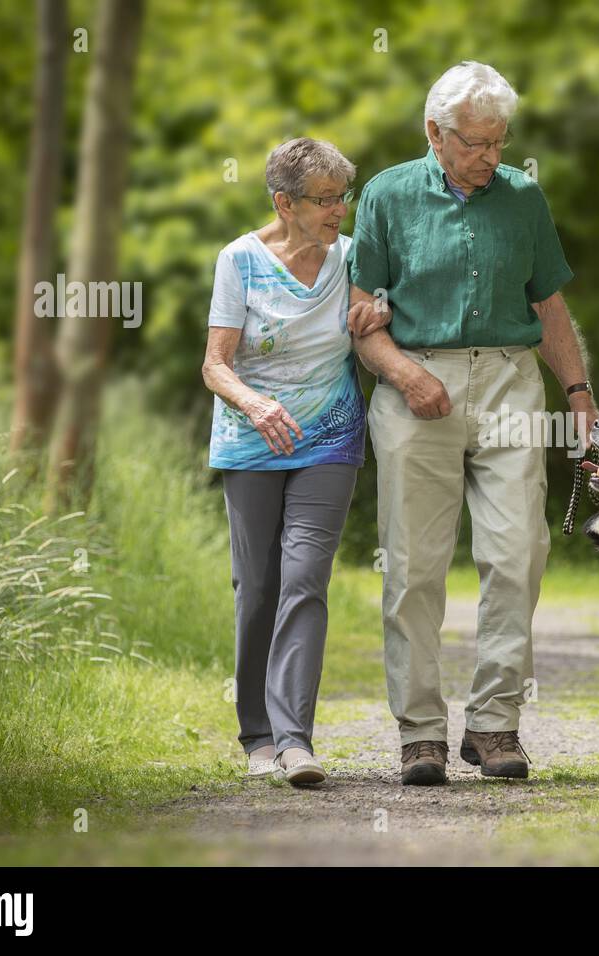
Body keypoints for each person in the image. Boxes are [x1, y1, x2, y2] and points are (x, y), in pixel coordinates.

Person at [347, 62, 599, 785]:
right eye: (476, 143)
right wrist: (403, 373)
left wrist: (578, 391)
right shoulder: (387, 195)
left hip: (510, 384)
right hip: (414, 383)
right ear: (435, 133)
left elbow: (548, 306)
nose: (492, 157)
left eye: (500, 142)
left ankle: (494, 726)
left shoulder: (523, 197)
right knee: (413, 566)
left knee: (518, 551)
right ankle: (421, 732)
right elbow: (363, 319)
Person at [201, 138, 387, 787]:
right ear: (285, 203)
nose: (340, 209)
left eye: (344, 196)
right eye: (325, 198)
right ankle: (254, 733)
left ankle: (293, 740)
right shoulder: (240, 261)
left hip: (330, 435)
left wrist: (381, 313)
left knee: (304, 577)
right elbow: (214, 363)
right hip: (252, 439)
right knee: (257, 590)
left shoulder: (353, 256)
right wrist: (256, 405)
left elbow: (378, 314)